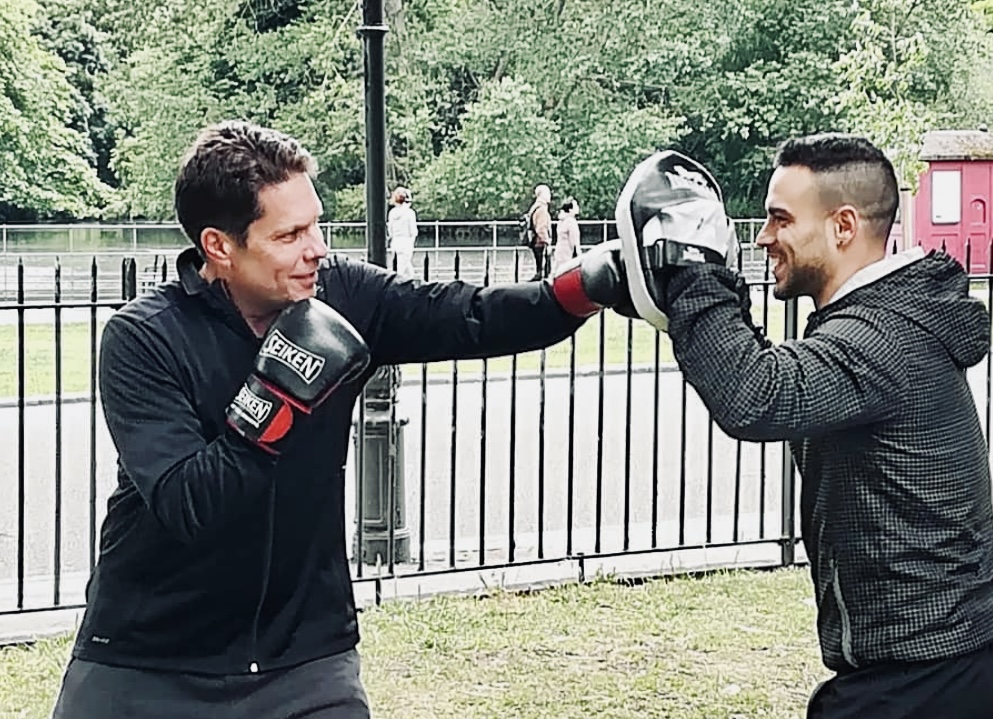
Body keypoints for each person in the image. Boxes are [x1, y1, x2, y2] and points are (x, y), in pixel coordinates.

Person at [49, 120, 628, 719]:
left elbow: (469, 317)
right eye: (290, 234)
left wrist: (587, 286)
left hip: (306, 659)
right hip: (148, 665)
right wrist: (278, 394)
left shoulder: (337, 294)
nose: (317, 247)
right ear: (219, 246)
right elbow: (191, 504)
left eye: (317, 223)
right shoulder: (144, 338)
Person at [613, 136, 993, 719]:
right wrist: (672, 297)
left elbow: (756, 395)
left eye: (780, 219)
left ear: (843, 227)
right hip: (958, 659)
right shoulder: (880, 319)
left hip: (926, 676)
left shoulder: (882, 338)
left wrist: (691, 275)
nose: (763, 238)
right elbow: (774, 370)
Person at [387, 185, 418, 278]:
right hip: (406, 244)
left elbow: (390, 230)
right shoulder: (410, 213)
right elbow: (413, 231)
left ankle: (415, 284)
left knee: (407, 269)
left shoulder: (392, 213)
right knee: (401, 272)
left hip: (396, 243)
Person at [526, 184, 553, 280]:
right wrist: (547, 241)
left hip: (536, 242)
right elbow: (541, 228)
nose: (550, 195)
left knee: (540, 269)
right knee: (543, 271)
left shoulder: (535, 207)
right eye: (548, 193)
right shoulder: (541, 209)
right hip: (540, 243)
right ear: (542, 195)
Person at [552, 196, 581, 270]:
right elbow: (573, 241)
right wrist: (578, 254)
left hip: (560, 250)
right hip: (567, 252)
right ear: (570, 209)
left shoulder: (562, 220)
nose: (578, 207)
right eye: (576, 206)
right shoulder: (571, 222)